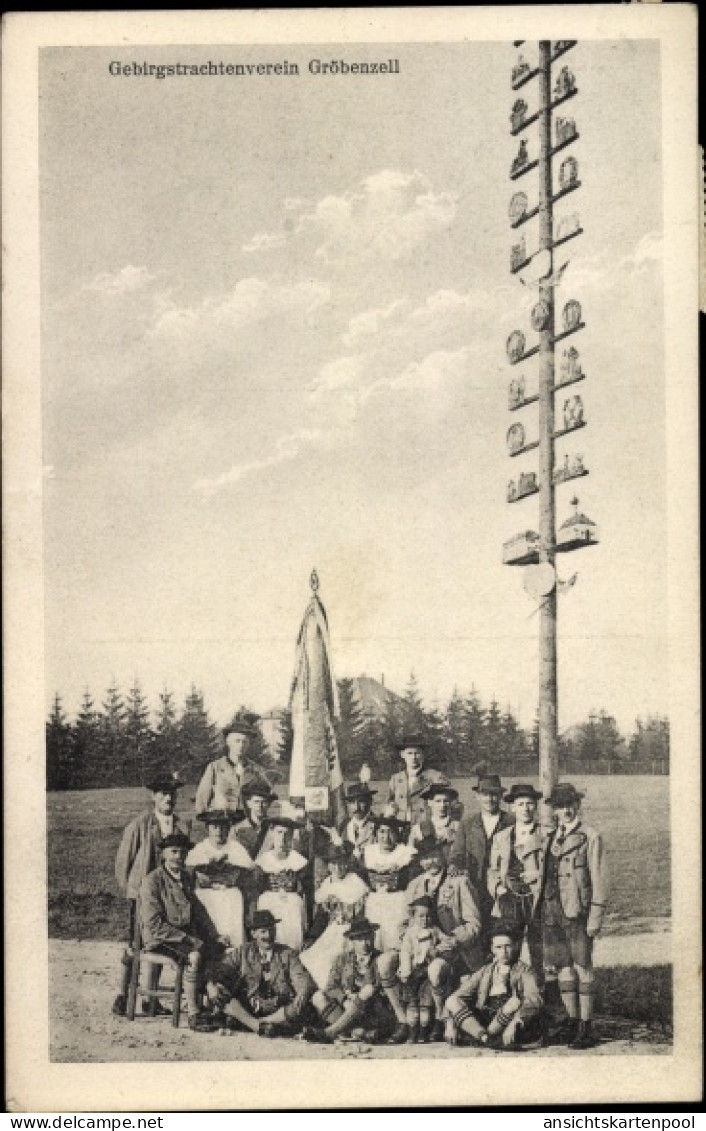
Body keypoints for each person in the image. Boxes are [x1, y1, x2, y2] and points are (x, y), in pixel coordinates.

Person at [112, 774, 187, 1017]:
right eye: (163, 793)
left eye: (172, 793)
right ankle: (123, 994)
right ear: (153, 796)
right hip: (143, 896)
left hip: (169, 896)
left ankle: (151, 997)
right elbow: (123, 864)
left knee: (162, 943)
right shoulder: (140, 825)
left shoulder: (181, 826)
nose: (168, 798)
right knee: (135, 945)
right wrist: (133, 894)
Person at [543, 783, 609, 1050]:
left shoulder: (590, 836)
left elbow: (600, 879)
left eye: (571, 804)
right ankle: (571, 1021)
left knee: (583, 967)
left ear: (578, 806)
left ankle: (586, 1025)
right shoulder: (550, 836)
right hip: (552, 911)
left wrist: (595, 916)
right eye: (560, 805)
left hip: (577, 911)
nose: (566, 810)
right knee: (563, 967)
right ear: (554, 810)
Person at [139, 832, 226, 1032]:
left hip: (182, 936)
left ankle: (211, 1003)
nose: (178, 856)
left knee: (218, 949)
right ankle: (194, 1014)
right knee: (194, 955)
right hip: (161, 937)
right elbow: (153, 924)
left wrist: (214, 934)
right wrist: (187, 938)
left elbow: (198, 910)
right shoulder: (152, 881)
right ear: (163, 855)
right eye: (174, 852)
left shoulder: (186, 878)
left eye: (183, 852)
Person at [405, 835, 485, 1039]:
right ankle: (412, 1023)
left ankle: (443, 1019)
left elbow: (474, 924)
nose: (429, 862)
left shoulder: (459, 882)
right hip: (423, 949)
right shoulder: (414, 886)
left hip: (457, 950)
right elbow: (405, 924)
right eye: (424, 858)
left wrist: (451, 941)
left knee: (436, 969)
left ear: (442, 855)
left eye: (433, 856)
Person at [205, 909, 314, 1038]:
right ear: (253, 934)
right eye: (263, 931)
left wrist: (301, 993)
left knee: (302, 1002)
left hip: (278, 1011)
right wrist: (211, 985)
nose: (268, 935)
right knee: (219, 990)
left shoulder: (288, 954)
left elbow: (301, 978)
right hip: (248, 1008)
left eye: (272, 930)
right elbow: (219, 970)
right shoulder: (242, 952)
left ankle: (257, 1025)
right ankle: (257, 1026)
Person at [445, 922, 544, 1049]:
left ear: (515, 946)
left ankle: (484, 1038)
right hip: (486, 1017)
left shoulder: (524, 971)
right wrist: (450, 1022)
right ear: (492, 949)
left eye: (508, 946)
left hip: (508, 1018)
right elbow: (458, 995)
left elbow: (534, 999)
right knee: (452, 1001)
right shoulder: (486, 970)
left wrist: (515, 1022)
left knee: (513, 1002)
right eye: (499, 947)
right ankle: (485, 1038)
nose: (504, 952)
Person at [303, 917, 398, 1044]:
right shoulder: (342, 959)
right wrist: (345, 1000)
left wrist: (360, 998)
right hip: (347, 1009)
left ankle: (331, 1032)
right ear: (352, 941)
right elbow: (331, 987)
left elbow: (383, 990)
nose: (365, 943)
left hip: (372, 1011)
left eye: (367, 937)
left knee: (368, 991)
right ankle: (356, 1032)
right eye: (359, 939)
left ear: (373, 937)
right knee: (318, 997)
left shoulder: (381, 960)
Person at [449, 773, 514, 952]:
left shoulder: (511, 821)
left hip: (502, 885)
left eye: (494, 794)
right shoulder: (468, 823)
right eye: (485, 794)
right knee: (479, 925)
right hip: (476, 884)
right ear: (477, 797)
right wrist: (455, 865)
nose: (490, 799)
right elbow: (457, 853)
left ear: (500, 797)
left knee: (502, 927)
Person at [487, 783, 545, 976]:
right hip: (509, 898)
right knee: (509, 945)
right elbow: (492, 870)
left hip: (536, 898)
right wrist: (497, 888)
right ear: (512, 807)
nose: (525, 809)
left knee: (539, 946)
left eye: (530, 804)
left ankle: (538, 989)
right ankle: (511, 988)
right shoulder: (502, 837)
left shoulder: (546, 835)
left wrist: (538, 876)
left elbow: (553, 868)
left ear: (536, 806)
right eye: (520, 804)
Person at [300, 843, 369, 990]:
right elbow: (322, 916)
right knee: (313, 957)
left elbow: (362, 911)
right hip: (332, 930)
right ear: (329, 866)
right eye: (334, 864)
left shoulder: (355, 881)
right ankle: (324, 990)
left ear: (347, 863)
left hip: (352, 930)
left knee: (339, 958)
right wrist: (312, 936)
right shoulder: (327, 884)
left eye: (341, 863)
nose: (338, 868)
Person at [186, 810, 256, 948]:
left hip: (230, 895)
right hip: (206, 896)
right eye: (214, 827)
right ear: (208, 829)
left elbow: (247, 869)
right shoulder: (200, 848)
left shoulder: (236, 848)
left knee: (232, 933)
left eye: (224, 827)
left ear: (229, 828)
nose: (219, 831)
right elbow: (191, 870)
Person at [398, 895, 457, 1043]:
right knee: (412, 1004)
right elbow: (405, 952)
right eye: (421, 916)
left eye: (428, 916)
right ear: (413, 916)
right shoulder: (410, 933)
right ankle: (413, 1031)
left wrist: (438, 948)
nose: (425, 920)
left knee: (425, 1003)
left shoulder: (434, 930)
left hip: (427, 971)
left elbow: (447, 942)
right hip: (413, 971)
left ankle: (425, 1031)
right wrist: (406, 969)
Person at [362, 815, 416, 953]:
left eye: (390, 832)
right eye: (381, 832)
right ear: (376, 833)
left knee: (394, 937)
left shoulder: (404, 853)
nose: (385, 837)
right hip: (375, 901)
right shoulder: (369, 851)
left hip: (396, 900)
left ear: (396, 833)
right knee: (375, 936)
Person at [255, 815, 309, 951]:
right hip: (269, 902)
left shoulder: (299, 861)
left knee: (294, 905)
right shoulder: (263, 861)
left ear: (292, 837)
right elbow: (256, 888)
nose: (283, 839)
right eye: (279, 833)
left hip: (291, 904)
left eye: (287, 834)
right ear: (272, 833)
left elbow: (305, 890)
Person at [194, 717, 260, 817]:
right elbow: (202, 800)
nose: (241, 745)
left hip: (245, 823)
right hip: (221, 822)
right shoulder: (215, 767)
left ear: (249, 744)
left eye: (244, 741)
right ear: (228, 742)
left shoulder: (255, 770)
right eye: (237, 741)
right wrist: (209, 821)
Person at [386, 734, 446, 825]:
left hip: (425, 828)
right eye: (409, 753)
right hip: (400, 826)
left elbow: (453, 804)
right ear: (402, 755)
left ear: (423, 754)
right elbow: (389, 802)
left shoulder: (436, 777)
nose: (413, 757)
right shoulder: (396, 778)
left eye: (417, 753)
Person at [409, 781, 461, 862]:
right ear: (430, 803)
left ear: (450, 803)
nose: (442, 805)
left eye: (446, 801)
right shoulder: (418, 829)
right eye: (438, 801)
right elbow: (410, 854)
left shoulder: (459, 827)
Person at [233, 780, 277, 857]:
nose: (260, 806)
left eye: (264, 802)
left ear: (269, 804)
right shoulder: (237, 829)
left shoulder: (275, 828)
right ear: (248, 803)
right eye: (256, 802)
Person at [343, 782, 378, 860]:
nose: (356, 807)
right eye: (352, 802)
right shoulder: (343, 827)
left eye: (361, 801)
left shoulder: (378, 826)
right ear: (348, 805)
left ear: (370, 802)